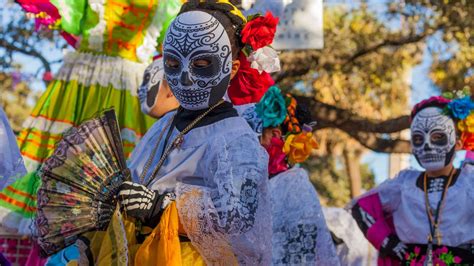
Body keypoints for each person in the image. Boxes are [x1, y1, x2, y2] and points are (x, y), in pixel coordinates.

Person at [119, 1, 275, 264]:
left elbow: (241, 221)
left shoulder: (235, 138)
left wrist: (162, 208)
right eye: (172, 63)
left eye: (201, 63)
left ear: (233, 68)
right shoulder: (163, 126)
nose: (184, 79)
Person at [351, 95, 474, 265]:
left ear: (459, 143)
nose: (427, 145)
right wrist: (390, 243)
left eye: (438, 137)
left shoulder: (469, 181)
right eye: (418, 139)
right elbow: (362, 208)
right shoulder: (404, 184)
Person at [236, 86, 340, 265]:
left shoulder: (295, 186)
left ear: (274, 135)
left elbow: (298, 254)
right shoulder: (251, 183)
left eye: (251, 139)